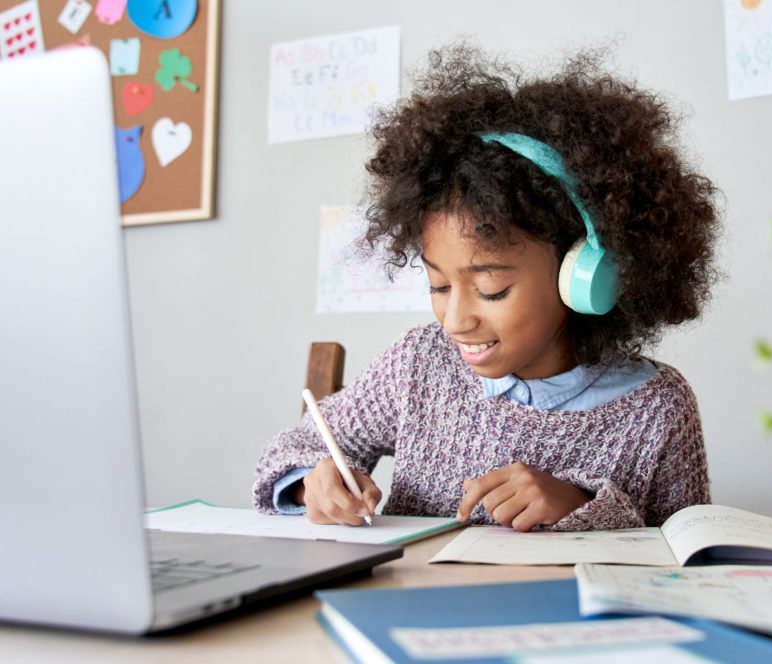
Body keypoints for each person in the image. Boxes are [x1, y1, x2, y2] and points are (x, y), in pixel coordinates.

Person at [252, 44, 721, 532]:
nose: (456, 320)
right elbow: (294, 448)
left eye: (492, 289)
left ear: (583, 274)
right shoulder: (419, 365)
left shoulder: (657, 408)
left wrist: (581, 507)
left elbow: (688, 554)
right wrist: (315, 481)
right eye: (437, 284)